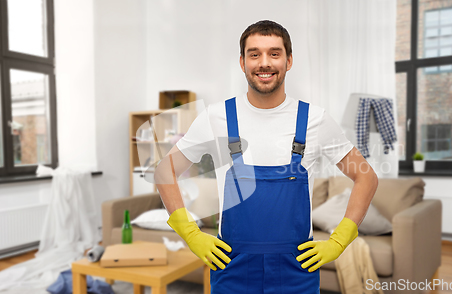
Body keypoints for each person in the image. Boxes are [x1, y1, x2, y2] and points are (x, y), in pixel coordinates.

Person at [154, 20, 378, 294]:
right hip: (231, 269)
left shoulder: (315, 120)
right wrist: (190, 234)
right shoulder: (216, 117)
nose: (264, 63)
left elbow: (365, 176)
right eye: (254, 54)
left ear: (289, 61)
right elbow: (165, 171)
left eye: (274, 53)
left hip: (297, 271)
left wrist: (339, 240)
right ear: (242, 61)